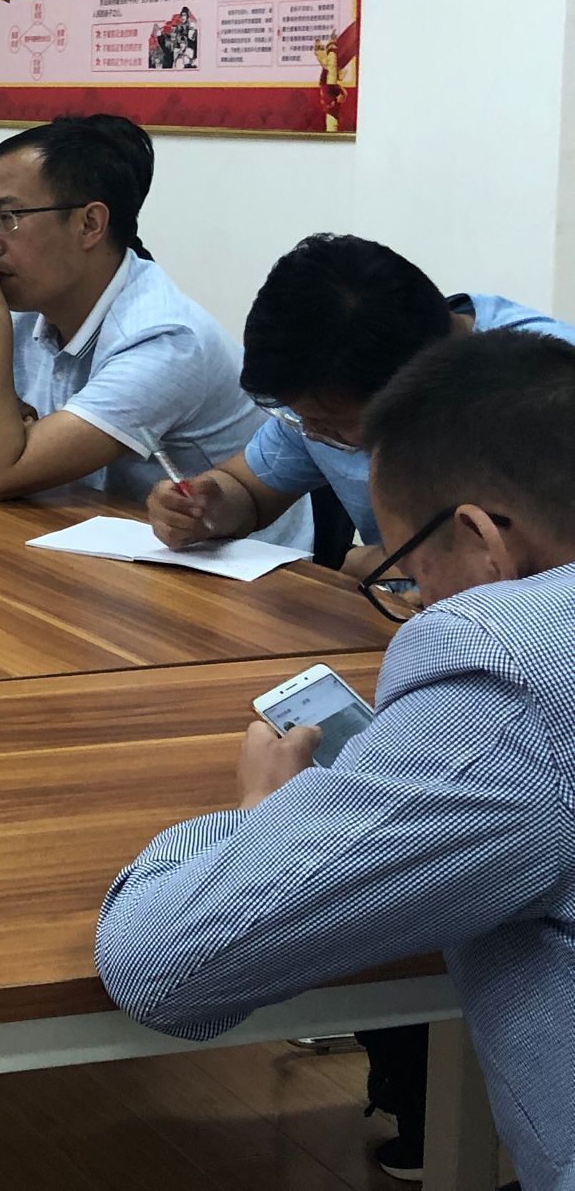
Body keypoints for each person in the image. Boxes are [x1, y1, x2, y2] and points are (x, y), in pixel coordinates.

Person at [96, 329, 575, 1189]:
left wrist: (264, 817)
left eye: (408, 574)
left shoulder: (506, 661)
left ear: (480, 538)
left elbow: (163, 963)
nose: (416, 600)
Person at [0, 114, 303, 530]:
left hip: (226, 576)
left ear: (89, 224)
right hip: (91, 544)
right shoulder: (41, 302)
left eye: (9, 218)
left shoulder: (164, 340)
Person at [148, 234, 575, 577]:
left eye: (330, 423)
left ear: (407, 390)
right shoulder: (326, 385)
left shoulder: (547, 390)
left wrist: (400, 567)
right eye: (304, 419)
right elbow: (248, 490)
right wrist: (203, 509)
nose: (312, 432)